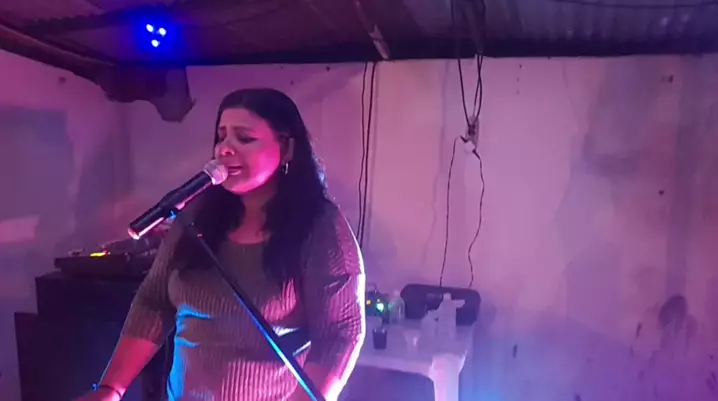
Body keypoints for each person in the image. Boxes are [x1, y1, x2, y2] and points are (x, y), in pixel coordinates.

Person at [76, 88, 366, 401]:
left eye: (244, 138)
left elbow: (340, 334)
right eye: (221, 136)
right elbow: (154, 301)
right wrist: (111, 388)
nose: (225, 149)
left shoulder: (320, 227)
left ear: (286, 148)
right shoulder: (196, 214)